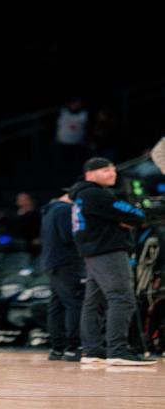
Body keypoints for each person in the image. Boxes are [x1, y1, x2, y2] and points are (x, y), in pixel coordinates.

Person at [70, 157, 157, 366]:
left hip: (93, 253)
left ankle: (92, 351)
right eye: (105, 170)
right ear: (90, 174)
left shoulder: (82, 195)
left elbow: (123, 215)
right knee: (122, 298)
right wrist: (124, 220)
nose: (112, 173)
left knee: (94, 302)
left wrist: (120, 219)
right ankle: (118, 350)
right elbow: (137, 214)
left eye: (113, 170)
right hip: (107, 251)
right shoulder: (95, 194)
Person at [39, 194, 85, 362]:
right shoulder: (66, 210)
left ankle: (57, 348)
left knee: (57, 305)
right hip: (67, 262)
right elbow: (69, 236)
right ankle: (74, 347)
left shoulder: (49, 210)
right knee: (74, 303)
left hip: (52, 262)